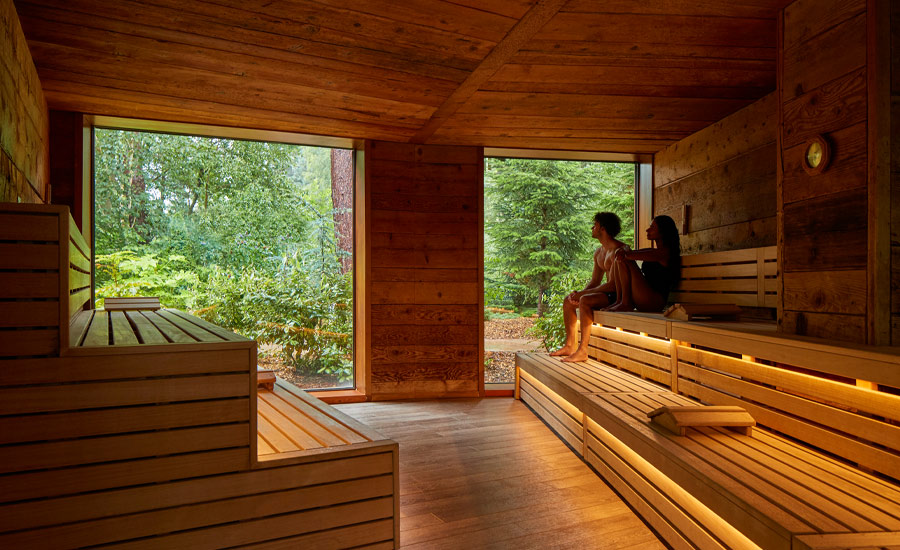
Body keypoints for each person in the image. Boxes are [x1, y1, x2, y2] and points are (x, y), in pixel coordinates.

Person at [550, 212, 629, 361]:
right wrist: (578, 294)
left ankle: (583, 351)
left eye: (595, 225)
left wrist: (583, 296)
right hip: (606, 293)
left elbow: (612, 285)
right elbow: (595, 281)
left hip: (618, 295)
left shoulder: (619, 250)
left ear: (603, 229)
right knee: (568, 300)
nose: (592, 227)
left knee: (585, 300)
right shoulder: (599, 252)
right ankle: (569, 346)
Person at [605, 215, 681, 314]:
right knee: (619, 258)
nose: (647, 230)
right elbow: (630, 252)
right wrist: (622, 250)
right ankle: (619, 301)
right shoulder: (655, 251)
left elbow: (629, 255)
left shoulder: (665, 253)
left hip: (654, 302)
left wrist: (623, 252)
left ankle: (625, 302)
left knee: (623, 259)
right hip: (644, 296)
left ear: (663, 231)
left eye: (652, 227)